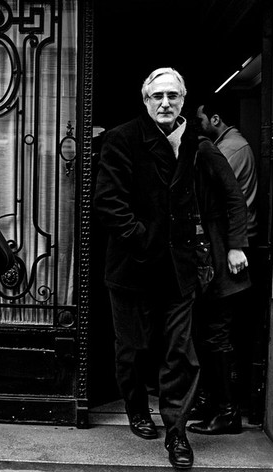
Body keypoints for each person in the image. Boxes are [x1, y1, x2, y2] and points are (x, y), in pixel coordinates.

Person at [94, 67, 227, 470]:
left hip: (178, 269)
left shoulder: (195, 144)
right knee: (133, 348)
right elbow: (107, 203)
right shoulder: (121, 139)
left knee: (180, 354)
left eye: (173, 96)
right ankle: (137, 409)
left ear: (184, 100)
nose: (165, 103)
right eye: (157, 97)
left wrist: (205, 250)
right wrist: (143, 238)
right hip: (133, 267)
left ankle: (177, 433)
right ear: (145, 100)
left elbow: (207, 200)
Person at [187, 129, 251, 435]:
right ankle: (210, 403)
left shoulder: (204, 149)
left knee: (217, 336)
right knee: (201, 336)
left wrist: (236, 245)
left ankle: (228, 412)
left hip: (219, 259)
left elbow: (234, 197)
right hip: (199, 263)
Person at [195, 98, 257, 240]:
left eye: (201, 120)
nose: (199, 126)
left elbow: (216, 190)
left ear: (215, 119)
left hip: (237, 234)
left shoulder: (229, 148)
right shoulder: (231, 143)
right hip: (240, 230)